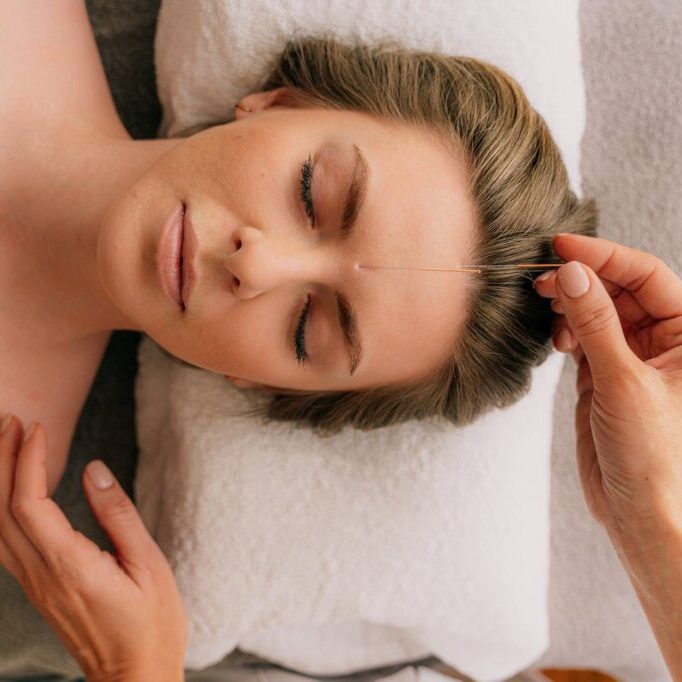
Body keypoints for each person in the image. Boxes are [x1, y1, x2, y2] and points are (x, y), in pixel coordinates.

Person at [1, 1, 679, 680]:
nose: (254, 267)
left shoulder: (18, 515)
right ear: (276, 102)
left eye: (305, 330)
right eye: (309, 194)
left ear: (265, 386)